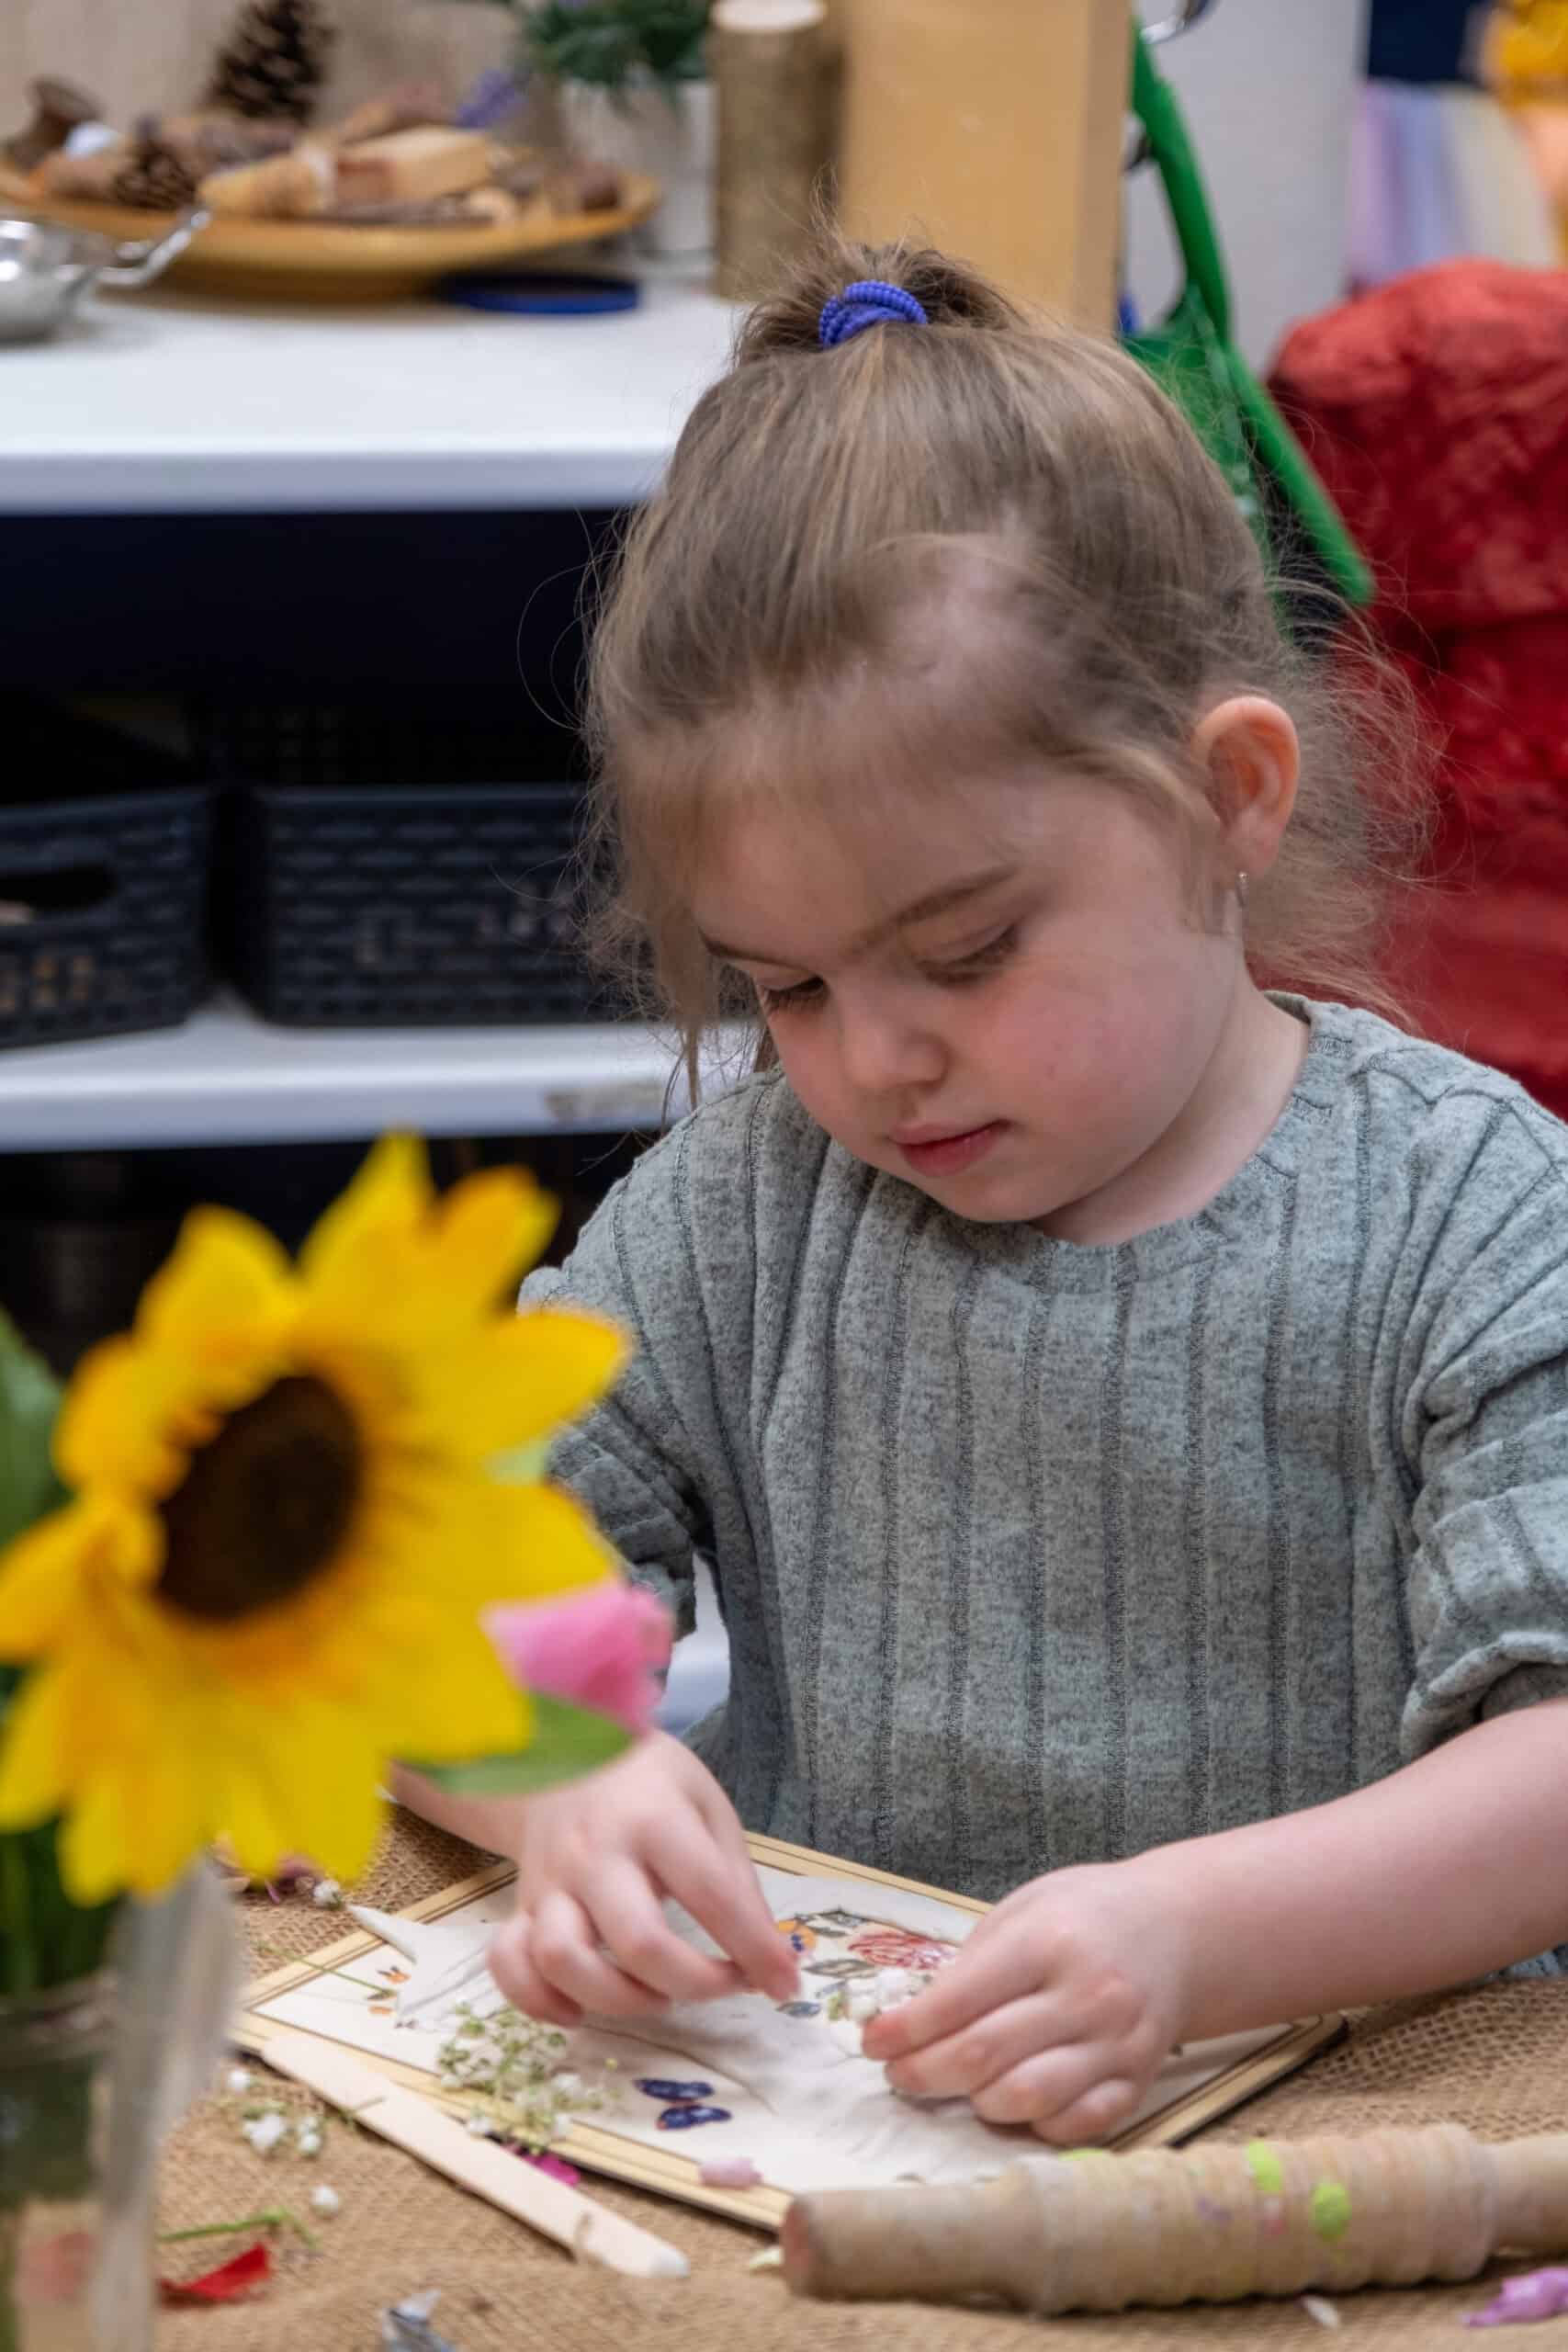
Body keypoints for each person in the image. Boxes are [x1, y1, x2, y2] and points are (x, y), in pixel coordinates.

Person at [400, 236, 1568, 2147]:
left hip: (1363, 2136)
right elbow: (418, 1603)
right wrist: (563, 1784)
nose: (875, 1060)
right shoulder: (737, 1215)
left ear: (1229, 797)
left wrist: (1196, 1937)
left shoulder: (1470, 1215)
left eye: (964, 952)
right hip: (860, 2130)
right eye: (785, 986)